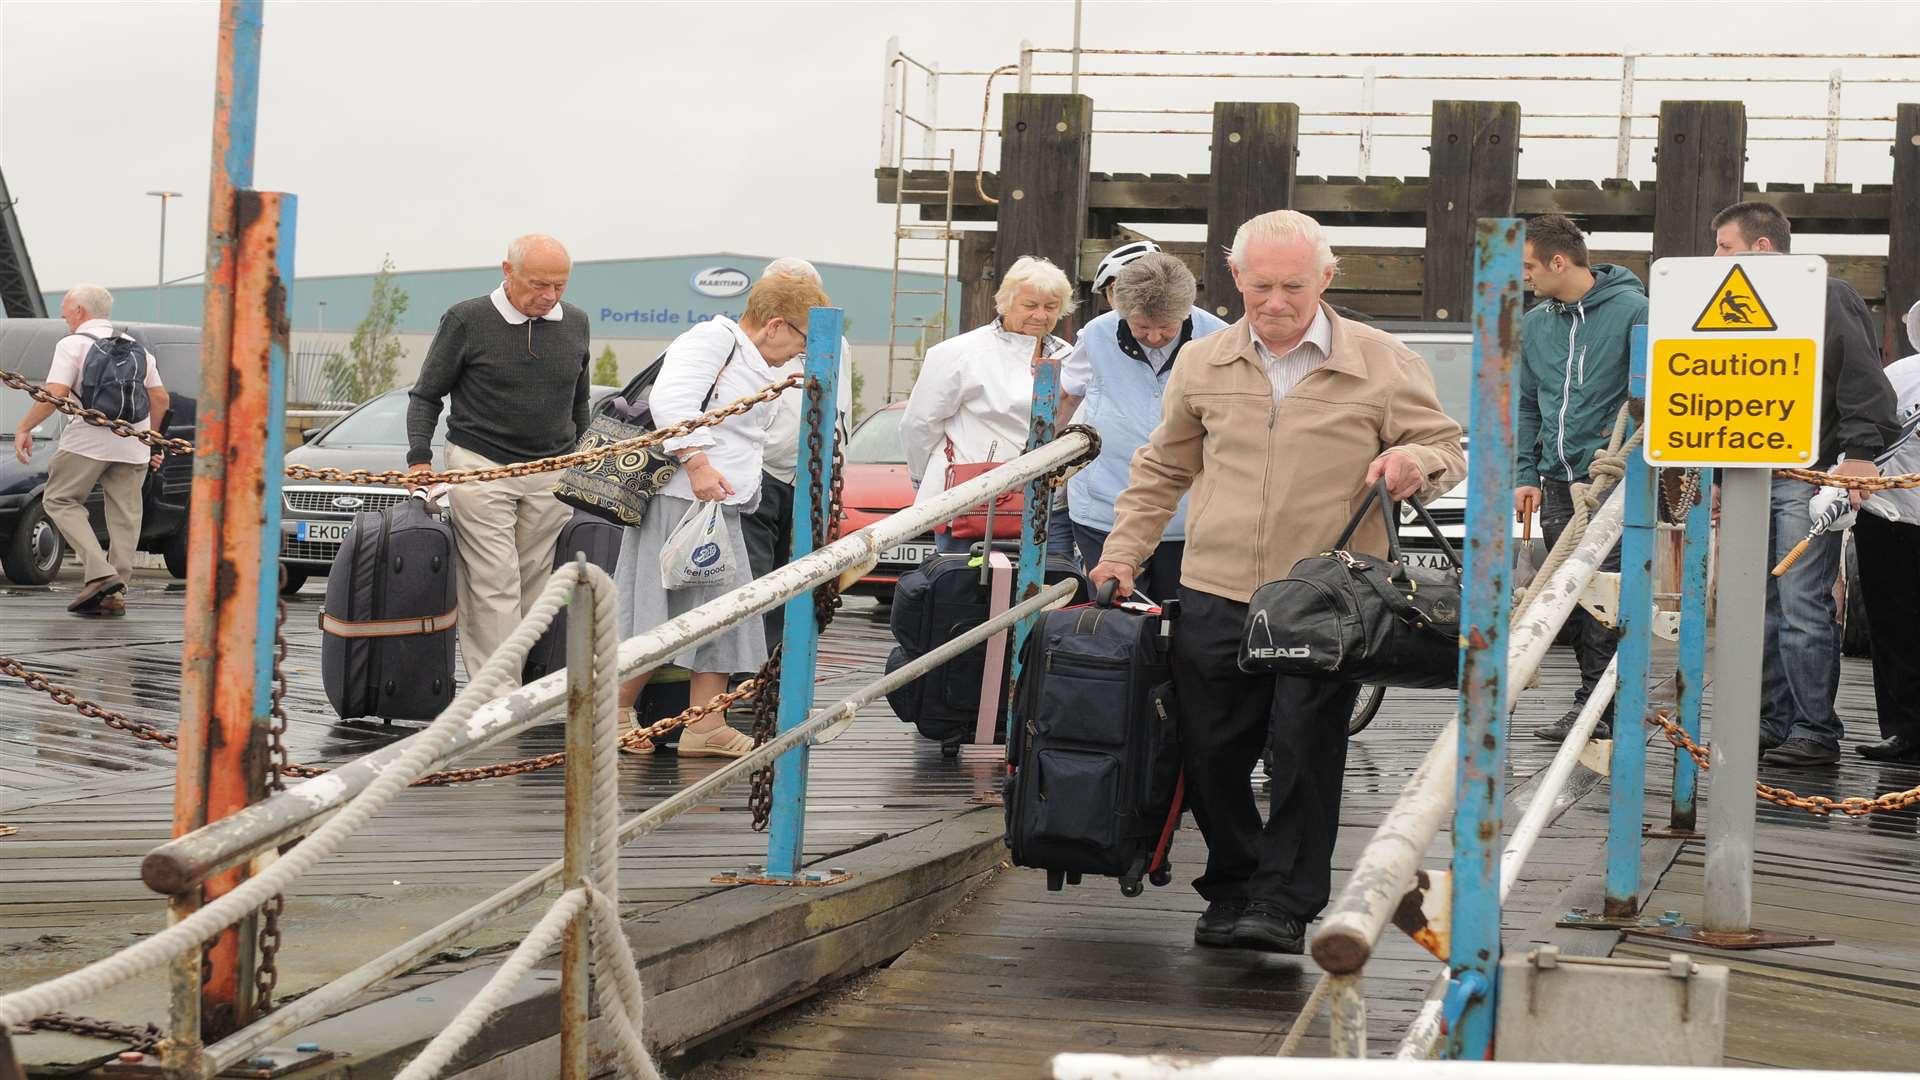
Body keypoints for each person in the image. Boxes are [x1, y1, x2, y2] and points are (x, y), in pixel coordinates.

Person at [1089, 210, 1465, 954]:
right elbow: (1164, 468)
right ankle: (1232, 885)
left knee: (1303, 747)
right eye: (1260, 285)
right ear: (1236, 280)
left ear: (1327, 278)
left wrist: (1414, 464)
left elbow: (1444, 445)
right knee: (1212, 749)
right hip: (1216, 586)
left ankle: (1284, 902)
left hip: (1325, 599)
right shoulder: (1203, 363)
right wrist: (1121, 553)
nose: (1276, 301)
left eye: (1293, 285)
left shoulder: (1384, 361)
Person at [1710, 202, 1901, 767]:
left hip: (1804, 472)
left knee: (1800, 605)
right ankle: (1773, 721)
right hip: (1749, 476)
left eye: (1724, 246)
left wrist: (1861, 456)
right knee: (1759, 603)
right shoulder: (1731, 313)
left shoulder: (1827, 294)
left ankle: (1815, 728)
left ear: (1762, 249)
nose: (1716, 257)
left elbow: (1862, 379)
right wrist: (1722, 475)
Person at [612, 272, 829, 757]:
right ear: (775, 325)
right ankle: (619, 711)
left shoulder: (755, 361)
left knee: (721, 613)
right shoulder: (713, 339)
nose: (798, 351)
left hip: (721, 502)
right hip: (684, 497)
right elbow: (672, 401)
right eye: (798, 339)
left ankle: (704, 721)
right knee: (657, 606)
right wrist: (698, 463)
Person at [407, 234, 593, 680]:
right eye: (538, 285)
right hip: (481, 464)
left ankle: (511, 681)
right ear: (507, 272)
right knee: (494, 583)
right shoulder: (466, 319)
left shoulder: (577, 322)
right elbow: (426, 395)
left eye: (559, 287)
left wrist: (586, 455)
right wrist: (419, 459)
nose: (548, 297)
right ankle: (495, 697)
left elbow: (579, 401)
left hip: (551, 470)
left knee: (532, 588)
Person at [1512, 214, 1647, 742]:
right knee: (1570, 596)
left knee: (1600, 596)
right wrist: (1525, 472)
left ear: (1559, 262)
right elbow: (1527, 403)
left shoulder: (1637, 314)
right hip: (1555, 483)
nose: (1524, 277)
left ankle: (1600, 710)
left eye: (1529, 266)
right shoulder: (1535, 323)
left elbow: (1647, 401)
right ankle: (1596, 703)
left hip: (1611, 482)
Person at [1060, 252, 1227, 601]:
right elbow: (1065, 396)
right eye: (1141, 327)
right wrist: (1040, 459)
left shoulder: (1220, 339)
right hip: (1104, 504)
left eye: (1166, 328)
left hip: (1187, 515)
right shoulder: (1095, 334)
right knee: (1113, 618)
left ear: (1186, 313)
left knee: (1175, 620)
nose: (1153, 336)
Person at [900, 255, 1074, 555]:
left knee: (1049, 590)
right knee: (965, 594)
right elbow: (919, 424)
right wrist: (925, 481)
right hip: (970, 498)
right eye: (1030, 305)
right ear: (1005, 303)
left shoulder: (1071, 356)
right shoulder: (958, 353)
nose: (1041, 315)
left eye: (1051, 307)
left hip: (1049, 503)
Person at [12, 285, 169, 616]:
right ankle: (114, 595)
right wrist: (151, 439)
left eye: (66, 309)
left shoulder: (72, 345)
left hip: (88, 439)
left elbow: (55, 393)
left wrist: (25, 426)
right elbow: (160, 399)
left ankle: (100, 573)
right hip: (134, 442)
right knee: (126, 517)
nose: (63, 316)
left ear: (80, 312)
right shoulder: (137, 347)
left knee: (59, 499)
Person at [741, 257, 853, 648]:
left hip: (809, 476)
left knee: (794, 573)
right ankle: (743, 668)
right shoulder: (751, 340)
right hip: (761, 472)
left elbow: (841, 402)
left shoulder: (835, 341)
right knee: (752, 572)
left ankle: (775, 661)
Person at [1851, 298, 1920, 764]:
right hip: (1890, 516)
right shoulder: (1900, 375)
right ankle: (1903, 730)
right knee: (1893, 629)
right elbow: (1867, 428)